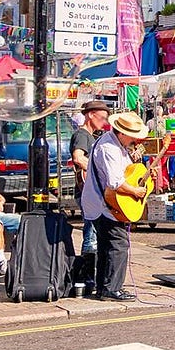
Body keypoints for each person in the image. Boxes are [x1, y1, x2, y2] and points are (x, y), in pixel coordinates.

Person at [81, 111, 150, 302]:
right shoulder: (109, 148)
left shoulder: (114, 144)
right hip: (104, 204)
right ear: (122, 133)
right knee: (119, 244)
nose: (136, 139)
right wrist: (135, 192)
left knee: (106, 245)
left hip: (103, 203)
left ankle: (104, 287)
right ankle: (112, 288)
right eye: (133, 135)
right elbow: (115, 182)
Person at [69, 99, 112, 271]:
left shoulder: (92, 137)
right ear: (90, 115)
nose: (104, 122)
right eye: (102, 118)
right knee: (91, 232)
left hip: (89, 191)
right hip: (87, 192)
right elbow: (78, 157)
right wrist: (98, 170)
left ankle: (90, 272)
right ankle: (87, 272)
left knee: (93, 230)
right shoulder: (81, 135)